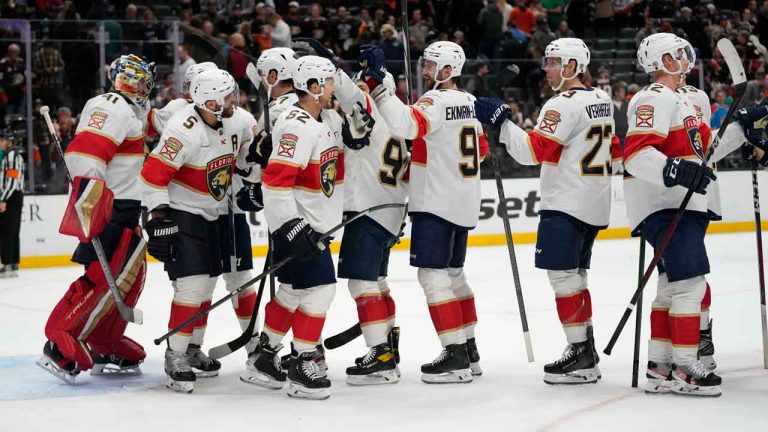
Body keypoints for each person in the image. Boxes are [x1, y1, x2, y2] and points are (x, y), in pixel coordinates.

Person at [624, 33, 762, 397]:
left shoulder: (679, 102)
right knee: (690, 282)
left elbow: (707, 149)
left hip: (679, 202)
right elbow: (636, 155)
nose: (686, 59)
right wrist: (677, 171)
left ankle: (660, 365)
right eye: (678, 54)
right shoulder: (651, 97)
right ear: (661, 60)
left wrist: (743, 126)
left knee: (672, 286)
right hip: (663, 202)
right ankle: (686, 367)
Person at [475, 38, 613, 385]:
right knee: (577, 276)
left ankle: (580, 352)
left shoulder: (562, 104)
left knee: (564, 278)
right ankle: (587, 348)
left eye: (554, 62)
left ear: (572, 67)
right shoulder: (601, 99)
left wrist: (502, 121)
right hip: (593, 201)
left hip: (565, 202)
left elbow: (533, 152)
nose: (547, 68)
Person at [359, 41, 488, 384]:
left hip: (436, 203)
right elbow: (483, 151)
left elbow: (404, 126)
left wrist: (378, 87)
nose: (425, 71)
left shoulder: (435, 100)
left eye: (432, 67)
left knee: (432, 278)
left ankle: (455, 354)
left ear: (448, 71)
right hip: (464, 201)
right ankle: (470, 348)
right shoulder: (470, 103)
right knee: (455, 275)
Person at [39, 54, 155, 384]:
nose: (147, 88)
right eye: (142, 80)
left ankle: (104, 338)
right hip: (111, 208)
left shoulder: (132, 111)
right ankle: (59, 338)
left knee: (128, 281)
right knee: (101, 280)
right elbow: (83, 154)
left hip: (127, 208)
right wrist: (91, 204)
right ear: (127, 80)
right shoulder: (111, 106)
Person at [141, 68, 256, 393]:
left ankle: (192, 348)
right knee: (192, 287)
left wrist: (254, 179)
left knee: (210, 286)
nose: (236, 98)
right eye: (229, 95)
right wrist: (159, 216)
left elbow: (248, 160)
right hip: (185, 211)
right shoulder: (184, 129)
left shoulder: (241, 120)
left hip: (219, 211)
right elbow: (152, 175)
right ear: (212, 101)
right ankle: (175, 354)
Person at [243, 56, 342, 400]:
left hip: (309, 224)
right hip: (298, 226)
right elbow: (275, 182)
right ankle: (302, 362)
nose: (333, 88)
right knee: (322, 290)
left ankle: (265, 356)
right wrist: (292, 226)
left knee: (292, 292)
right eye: (328, 83)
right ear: (313, 88)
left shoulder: (319, 119)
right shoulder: (298, 124)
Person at [333, 67, 408, 385]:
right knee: (377, 282)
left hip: (367, 209)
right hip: (390, 211)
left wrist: (329, 65)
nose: (360, 88)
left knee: (361, 285)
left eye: (366, 84)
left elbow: (346, 92)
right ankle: (388, 345)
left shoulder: (370, 108)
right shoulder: (402, 122)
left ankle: (380, 354)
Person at [675, 41, 720, 370]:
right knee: (683, 271)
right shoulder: (664, 95)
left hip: (691, 189)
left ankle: (699, 336)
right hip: (677, 189)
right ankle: (693, 339)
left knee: (688, 271)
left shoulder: (692, 96)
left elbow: (702, 143)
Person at [0, 130, 24, 278]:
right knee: (13, 230)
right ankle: (13, 262)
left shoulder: (11, 156)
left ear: (9, 142)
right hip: (15, 196)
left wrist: (2, 199)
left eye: (2, 140)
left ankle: (8, 263)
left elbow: (11, 182)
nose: (0, 143)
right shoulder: (16, 156)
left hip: (10, 196)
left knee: (6, 231)